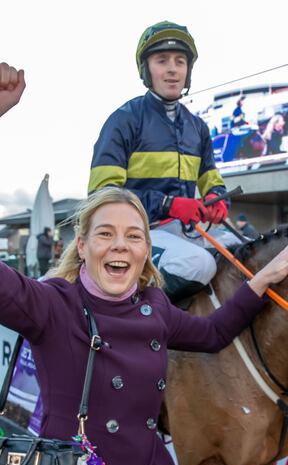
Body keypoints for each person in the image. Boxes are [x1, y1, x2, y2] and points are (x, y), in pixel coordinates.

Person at [0, 61, 288, 465]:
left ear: (146, 250)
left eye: (134, 236)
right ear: (83, 245)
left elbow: (216, 332)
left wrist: (262, 280)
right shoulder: (54, 305)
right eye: (106, 234)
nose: (120, 244)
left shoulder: (155, 305)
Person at [88, 21, 228, 302]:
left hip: (185, 233)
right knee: (199, 265)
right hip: (137, 233)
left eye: (180, 61)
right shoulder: (124, 120)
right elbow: (101, 195)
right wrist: (168, 204)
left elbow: (212, 179)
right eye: (162, 61)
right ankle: (132, 319)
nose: (173, 69)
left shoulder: (198, 127)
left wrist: (217, 198)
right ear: (146, 70)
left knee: (246, 251)